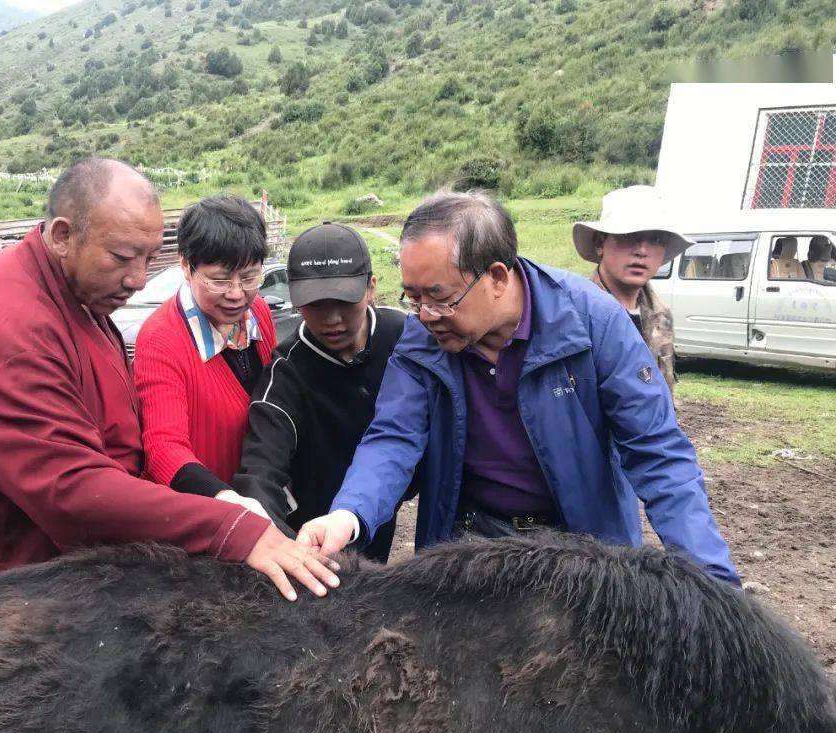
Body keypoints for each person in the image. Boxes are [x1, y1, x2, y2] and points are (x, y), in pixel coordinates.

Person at [0, 158, 340, 613]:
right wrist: (231, 526)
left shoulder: (77, 292)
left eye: (150, 259)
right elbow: (69, 488)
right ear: (63, 236)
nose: (137, 280)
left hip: (33, 577)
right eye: (122, 258)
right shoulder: (16, 328)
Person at [297, 190, 740, 586]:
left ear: (496, 277)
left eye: (439, 296)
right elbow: (393, 436)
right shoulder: (422, 339)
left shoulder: (592, 324)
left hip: (581, 546)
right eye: (413, 298)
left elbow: (658, 454)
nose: (426, 314)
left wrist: (714, 583)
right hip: (469, 542)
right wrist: (348, 515)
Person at [232, 223, 406, 563]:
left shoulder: (403, 338)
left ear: (371, 288)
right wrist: (274, 541)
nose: (332, 319)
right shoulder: (286, 373)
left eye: (344, 301)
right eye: (316, 304)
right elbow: (260, 469)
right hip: (310, 535)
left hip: (377, 511)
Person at [133, 197, 276, 513]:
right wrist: (227, 500)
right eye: (220, 280)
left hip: (257, 496)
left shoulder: (260, 315)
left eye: (250, 277)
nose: (237, 294)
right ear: (186, 265)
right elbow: (164, 448)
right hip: (196, 513)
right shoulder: (161, 339)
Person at [573, 185, 690, 392]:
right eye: (629, 235)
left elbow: (665, 395)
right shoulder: (575, 315)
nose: (642, 250)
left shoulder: (661, 315)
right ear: (600, 242)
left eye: (655, 239)